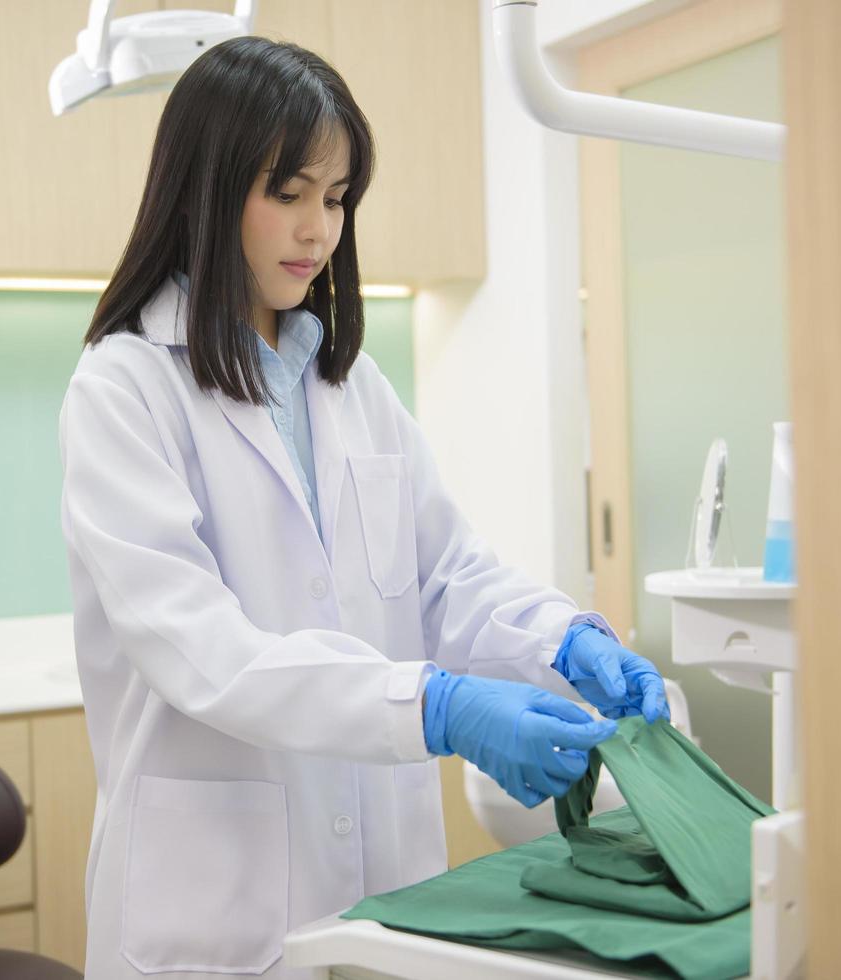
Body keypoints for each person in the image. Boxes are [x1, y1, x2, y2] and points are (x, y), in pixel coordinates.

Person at [59, 36, 668, 980]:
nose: (318, 230)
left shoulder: (353, 386)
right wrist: (435, 705)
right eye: (288, 193)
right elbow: (202, 650)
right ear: (207, 191)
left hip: (384, 896)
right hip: (215, 916)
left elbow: (444, 578)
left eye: (337, 199)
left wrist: (563, 641)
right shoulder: (124, 390)